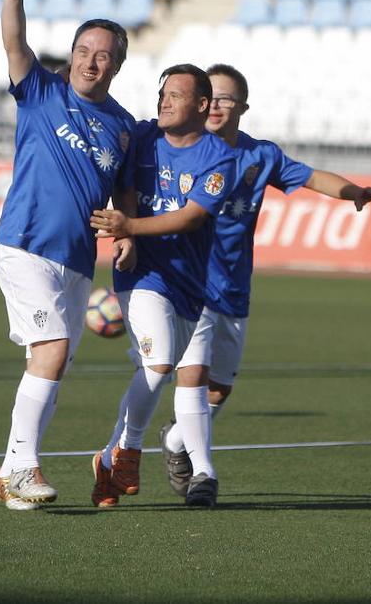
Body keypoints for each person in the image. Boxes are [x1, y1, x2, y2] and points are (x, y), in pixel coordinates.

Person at [157, 63, 371, 500]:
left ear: (242, 107)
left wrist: (353, 192)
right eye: (211, 96)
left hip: (234, 287)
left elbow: (313, 176)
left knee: (219, 389)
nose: (217, 106)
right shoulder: (183, 148)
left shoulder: (260, 156)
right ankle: (204, 477)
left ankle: (174, 442)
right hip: (191, 283)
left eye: (227, 99)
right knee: (195, 374)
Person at [0, 0, 139, 511]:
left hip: (78, 260)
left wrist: (124, 230)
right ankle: (24, 466)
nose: (89, 61)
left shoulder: (124, 126)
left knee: (50, 363)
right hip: (25, 242)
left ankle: (9, 471)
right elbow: (14, 42)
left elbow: (123, 188)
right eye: (82, 50)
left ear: (117, 65)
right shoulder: (41, 91)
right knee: (50, 348)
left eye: (102, 55)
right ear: (71, 53)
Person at [87, 64, 236, 509]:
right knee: (159, 363)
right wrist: (127, 235)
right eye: (162, 93)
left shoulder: (218, 156)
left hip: (189, 283)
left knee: (159, 368)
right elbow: (125, 186)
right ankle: (129, 449)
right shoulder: (144, 136)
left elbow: (192, 216)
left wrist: (130, 223)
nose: (164, 101)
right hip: (142, 273)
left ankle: (110, 464)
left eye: (176, 94)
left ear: (202, 105)